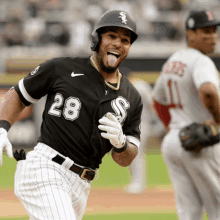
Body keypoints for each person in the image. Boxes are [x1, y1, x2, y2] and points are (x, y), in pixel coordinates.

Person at [0, 10, 143, 220]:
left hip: (82, 183)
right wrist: (2, 128)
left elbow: (125, 159)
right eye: (111, 36)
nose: (118, 43)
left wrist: (121, 144)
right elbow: (20, 94)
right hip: (45, 167)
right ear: (96, 39)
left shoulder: (132, 97)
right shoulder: (62, 68)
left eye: (125, 39)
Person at [153, 10, 220, 220]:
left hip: (174, 142)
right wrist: (218, 121)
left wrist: (172, 128)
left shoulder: (173, 61)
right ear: (190, 33)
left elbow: (158, 100)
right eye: (205, 32)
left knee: (189, 213)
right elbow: (208, 90)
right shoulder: (201, 61)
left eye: (214, 31)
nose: (212, 37)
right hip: (201, 142)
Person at [125, 78, 165, 194]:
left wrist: (159, 123)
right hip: (129, 126)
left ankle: (139, 183)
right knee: (130, 154)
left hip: (142, 124)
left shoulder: (141, 86)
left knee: (136, 153)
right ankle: (135, 181)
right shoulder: (120, 88)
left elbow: (152, 104)